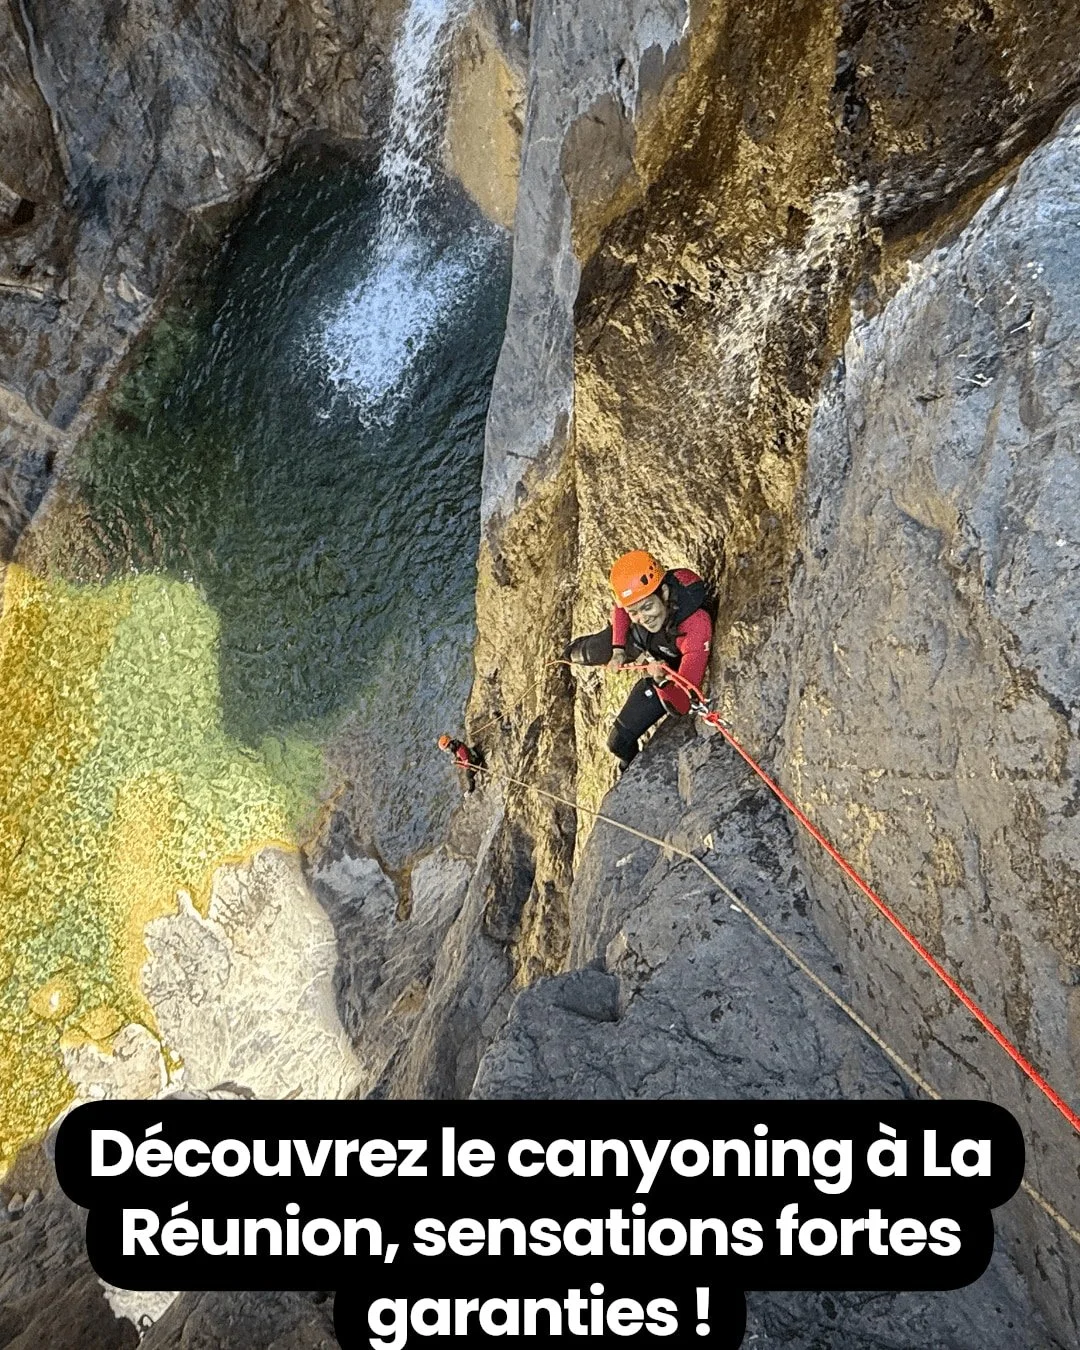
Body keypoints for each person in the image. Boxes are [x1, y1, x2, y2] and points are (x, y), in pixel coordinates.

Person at [566, 550, 712, 769]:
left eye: (648, 607)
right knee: (583, 653)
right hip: (642, 640)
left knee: (618, 742)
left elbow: (682, 703)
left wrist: (661, 681)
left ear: (663, 593)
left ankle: (629, 769)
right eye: (635, 611)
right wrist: (618, 650)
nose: (644, 618)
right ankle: (566, 654)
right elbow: (621, 607)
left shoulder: (695, 626)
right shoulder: (640, 609)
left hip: (666, 673)